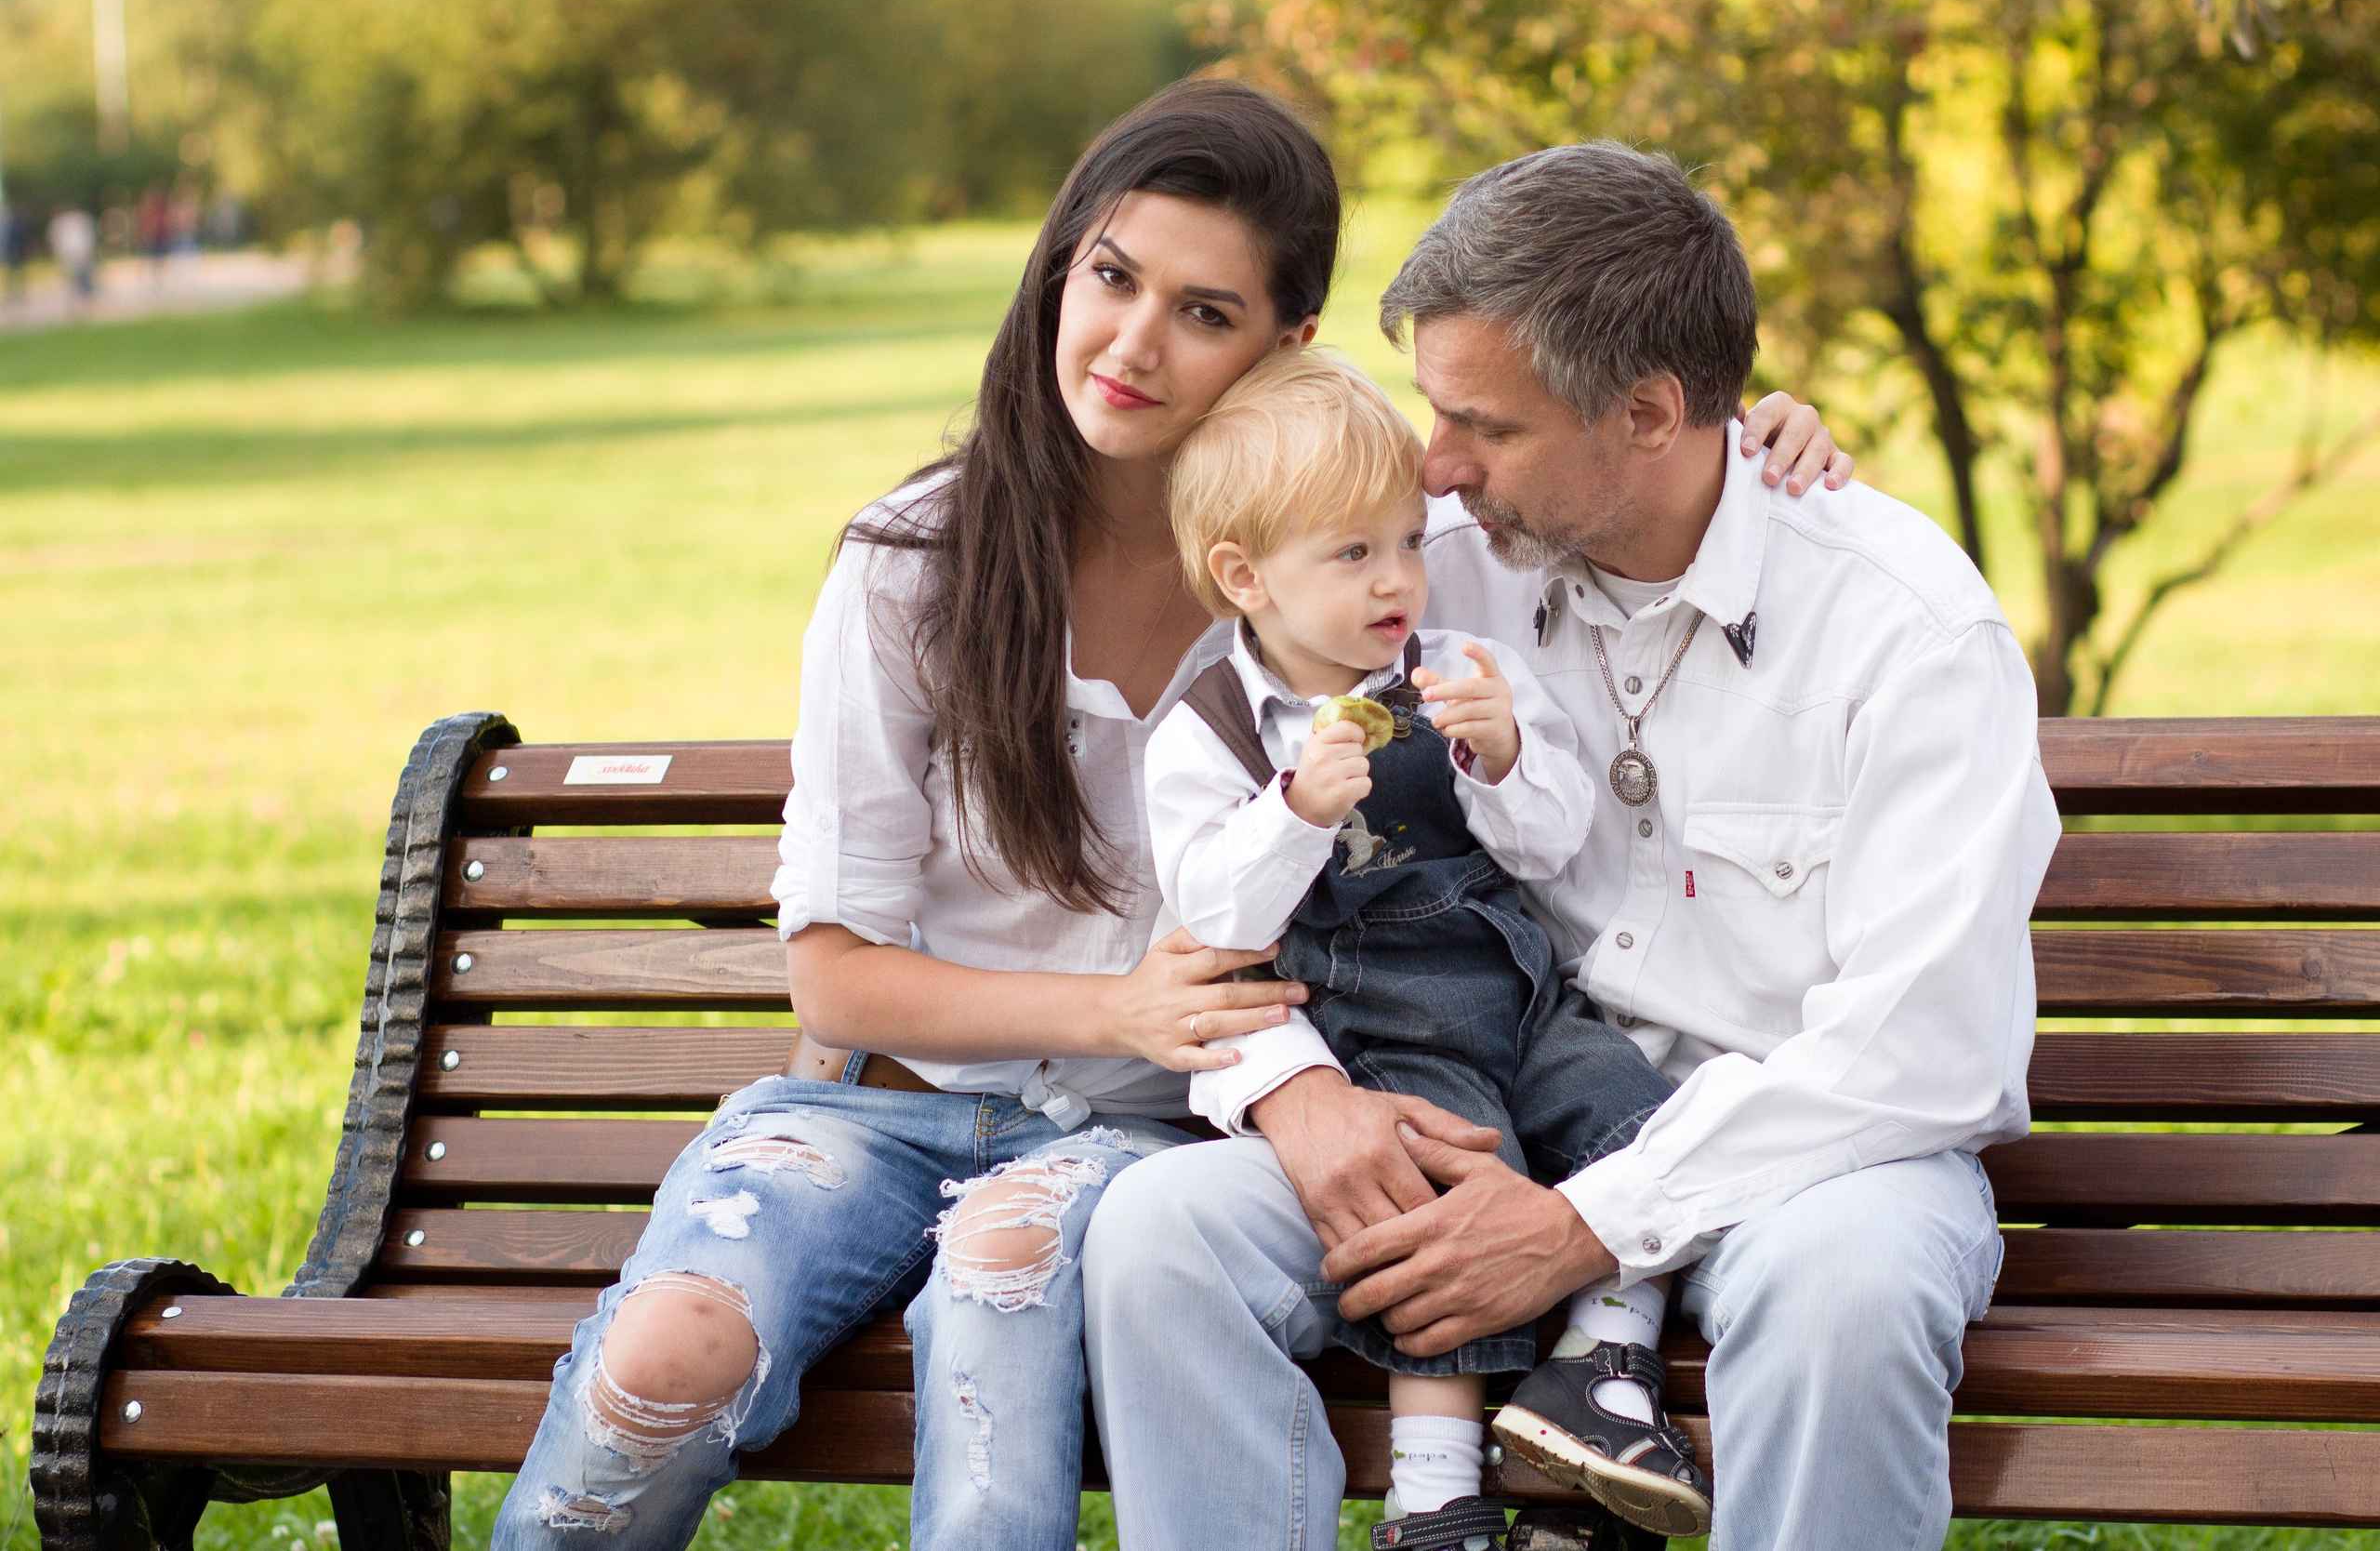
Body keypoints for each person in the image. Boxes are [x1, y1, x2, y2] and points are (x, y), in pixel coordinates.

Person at [492, 80, 1851, 1551]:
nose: (1133, 344)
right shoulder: (914, 564)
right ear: (1060, 265)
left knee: (1006, 1293)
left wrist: (1752, 433)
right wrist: (1120, 1011)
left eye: (1205, 313)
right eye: (1110, 276)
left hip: (1143, 1142)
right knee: (662, 1360)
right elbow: (832, 972)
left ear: (1288, 347)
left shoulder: (1381, 559)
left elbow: (1613, 469)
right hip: (882, 1108)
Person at [1084, 141, 2060, 1551]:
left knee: (1850, 1295)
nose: (1435, 466)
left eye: (1483, 421)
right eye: (1433, 410)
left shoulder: (1903, 632)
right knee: (1161, 1235)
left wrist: (1583, 1223)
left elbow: (1924, 1051)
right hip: (1464, 1095)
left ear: (1652, 413)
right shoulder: (1428, 567)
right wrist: (1302, 1101)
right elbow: (1230, 851)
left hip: (1812, 1151)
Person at [1147, 348, 1707, 1547]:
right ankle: (1434, 1496)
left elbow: (1551, 846)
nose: (1399, 578)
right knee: (1436, 1214)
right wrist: (1293, 815)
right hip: (1385, 1023)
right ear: (1245, 577)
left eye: (1406, 540)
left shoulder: (1454, 671)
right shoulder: (1211, 735)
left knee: (1639, 1117)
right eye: (1353, 555)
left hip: (1515, 983)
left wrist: (1506, 758)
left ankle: (1604, 1376)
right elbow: (1217, 921)